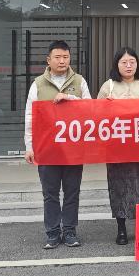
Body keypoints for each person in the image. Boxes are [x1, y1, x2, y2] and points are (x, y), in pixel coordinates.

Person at [24, 40, 91, 249]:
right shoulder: (38, 84)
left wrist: (69, 98)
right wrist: (29, 146)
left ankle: (69, 231)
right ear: (48, 60)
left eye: (66, 57)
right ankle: (52, 233)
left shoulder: (79, 81)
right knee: (50, 194)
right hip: (47, 149)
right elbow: (29, 117)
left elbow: (90, 108)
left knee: (72, 192)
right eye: (58, 57)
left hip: (73, 149)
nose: (62, 61)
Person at [97, 47, 139, 245]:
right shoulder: (108, 86)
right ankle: (121, 227)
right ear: (117, 64)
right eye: (124, 62)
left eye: (132, 62)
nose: (128, 66)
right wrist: (105, 106)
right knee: (117, 185)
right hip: (116, 145)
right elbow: (96, 115)